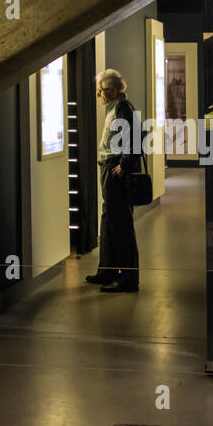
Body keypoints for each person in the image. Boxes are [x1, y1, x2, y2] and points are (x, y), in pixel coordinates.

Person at [85, 68, 140, 292]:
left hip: (115, 172)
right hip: (109, 170)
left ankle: (128, 280)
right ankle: (106, 271)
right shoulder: (115, 108)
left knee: (120, 226)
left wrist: (123, 165)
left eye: (101, 91)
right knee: (108, 224)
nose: (99, 95)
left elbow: (135, 140)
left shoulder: (122, 108)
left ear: (113, 90)